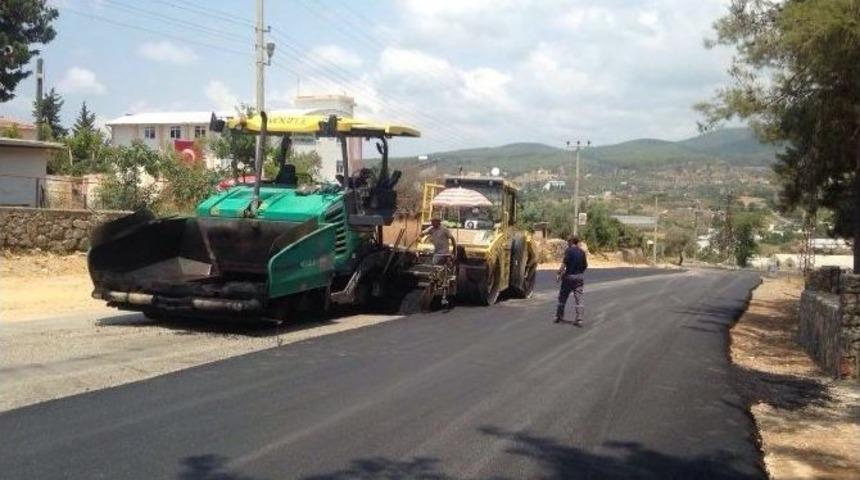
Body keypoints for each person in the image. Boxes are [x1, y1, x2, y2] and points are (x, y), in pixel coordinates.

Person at [556, 235, 588, 325]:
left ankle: (559, 316)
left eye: (568, 241)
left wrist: (558, 273)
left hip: (569, 277)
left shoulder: (568, 251)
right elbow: (585, 265)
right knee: (578, 298)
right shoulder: (582, 252)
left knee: (562, 297)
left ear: (571, 241)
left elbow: (564, 264)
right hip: (579, 278)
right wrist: (579, 272)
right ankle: (579, 319)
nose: (567, 243)